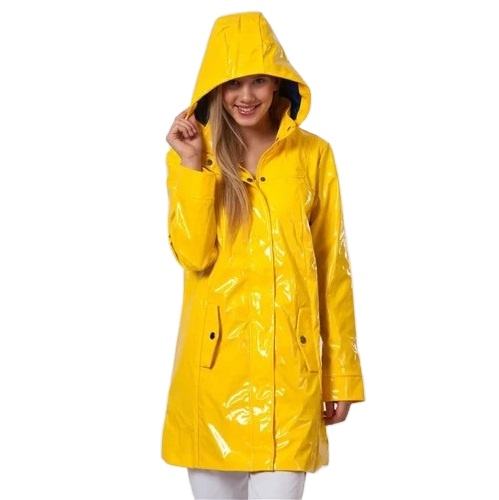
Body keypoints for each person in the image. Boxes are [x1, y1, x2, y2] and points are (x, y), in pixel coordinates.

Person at [162, 11, 366, 500]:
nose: (246, 95)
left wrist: (340, 374)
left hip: (289, 377)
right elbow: (193, 254)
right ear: (215, 87)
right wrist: (193, 167)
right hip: (213, 377)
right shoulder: (193, 155)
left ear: (278, 83)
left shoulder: (313, 155)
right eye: (233, 83)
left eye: (257, 80)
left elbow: (332, 268)